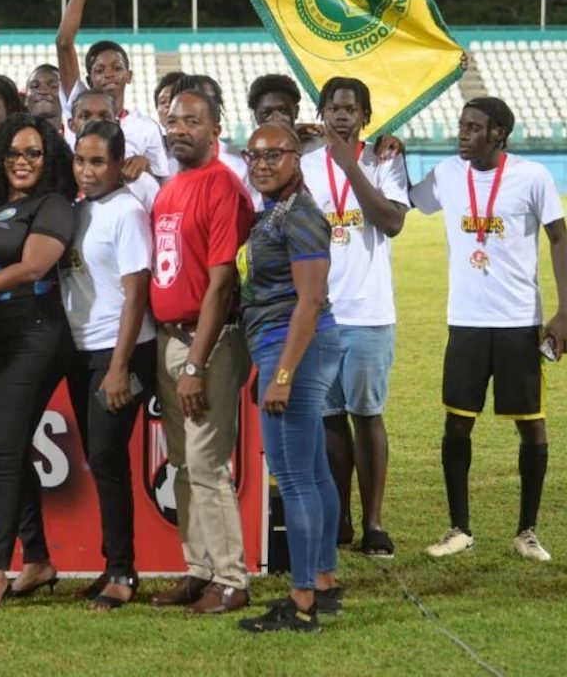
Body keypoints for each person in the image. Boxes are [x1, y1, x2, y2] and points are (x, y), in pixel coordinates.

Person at [411, 97, 567, 563]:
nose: (462, 133)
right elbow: (406, 199)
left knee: (531, 425)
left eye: (473, 127)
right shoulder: (446, 174)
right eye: (461, 125)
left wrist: (564, 312)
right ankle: (459, 528)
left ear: (499, 132)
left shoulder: (532, 177)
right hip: (466, 320)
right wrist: (389, 152)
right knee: (457, 420)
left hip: (519, 320)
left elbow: (559, 237)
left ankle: (528, 531)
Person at [0, 113, 76, 611]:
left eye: (33, 153)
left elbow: (32, 268)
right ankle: (39, 559)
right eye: (13, 153)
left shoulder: (54, 204)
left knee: (3, 452)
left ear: (47, 160)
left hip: (34, 333)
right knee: (10, 447)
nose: (22, 162)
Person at [149, 89, 254, 615]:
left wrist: (195, 362)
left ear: (215, 129)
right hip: (169, 338)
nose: (179, 129)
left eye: (192, 121)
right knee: (184, 463)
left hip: (204, 344)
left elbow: (220, 285)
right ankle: (200, 569)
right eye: (173, 120)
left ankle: (232, 578)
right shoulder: (172, 188)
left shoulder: (223, 187)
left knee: (208, 463)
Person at [237, 122, 342, 633]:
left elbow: (311, 299)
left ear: (296, 159)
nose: (261, 163)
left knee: (295, 477)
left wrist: (281, 374)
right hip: (297, 347)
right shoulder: (279, 210)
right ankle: (323, 581)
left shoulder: (300, 215)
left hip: (295, 348)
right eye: (253, 156)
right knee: (315, 469)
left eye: (273, 155)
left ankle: (300, 601)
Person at [301, 77, 407, 557]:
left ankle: (375, 522)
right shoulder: (303, 166)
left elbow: (391, 222)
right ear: (321, 113)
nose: (342, 115)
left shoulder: (385, 159)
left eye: (351, 109)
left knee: (367, 416)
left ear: (366, 115)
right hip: (319, 312)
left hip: (368, 311)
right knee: (328, 420)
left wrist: (351, 167)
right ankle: (339, 517)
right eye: (334, 108)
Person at [60, 120, 156, 610]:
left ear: (119, 164)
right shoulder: (78, 212)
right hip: (83, 352)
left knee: (106, 458)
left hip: (121, 352)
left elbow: (136, 294)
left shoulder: (128, 213)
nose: (87, 170)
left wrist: (120, 368)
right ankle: (112, 564)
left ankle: (122, 570)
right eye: (80, 160)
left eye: (98, 161)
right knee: (102, 459)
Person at [57, 0, 171, 181]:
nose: (109, 74)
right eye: (99, 70)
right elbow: (64, 43)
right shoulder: (78, 104)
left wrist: (145, 166)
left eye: (117, 68)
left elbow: (163, 185)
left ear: (129, 76)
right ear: (88, 80)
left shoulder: (146, 127)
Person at [68, 89, 158, 213]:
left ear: (116, 123)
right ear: (71, 125)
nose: (95, 122)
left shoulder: (139, 181)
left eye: (104, 116)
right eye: (85, 116)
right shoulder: (61, 175)